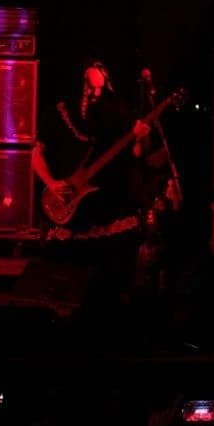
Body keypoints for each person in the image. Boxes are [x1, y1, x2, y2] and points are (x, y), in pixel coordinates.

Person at [31, 59, 173, 315]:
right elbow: (36, 154)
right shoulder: (59, 113)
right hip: (68, 213)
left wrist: (140, 139)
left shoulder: (116, 111)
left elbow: (136, 154)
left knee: (107, 285)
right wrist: (51, 183)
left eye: (100, 87)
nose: (95, 92)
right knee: (66, 285)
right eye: (90, 87)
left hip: (107, 205)